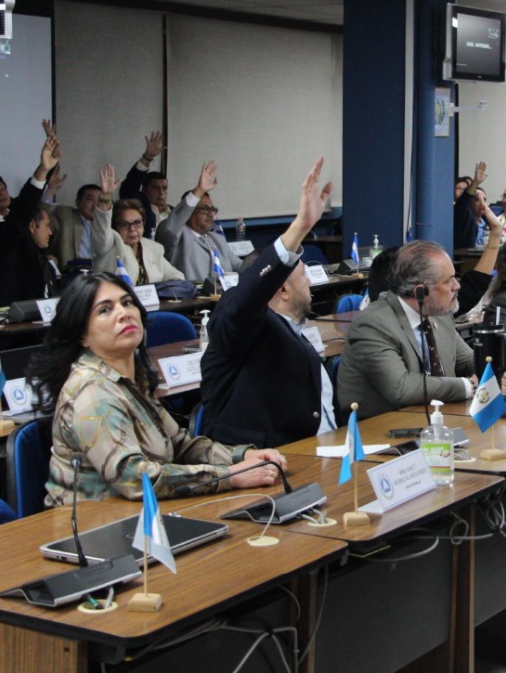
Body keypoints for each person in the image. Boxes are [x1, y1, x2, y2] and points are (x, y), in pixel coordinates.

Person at [30, 273, 286, 505]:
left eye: (127, 303)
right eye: (105, 309)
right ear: (82, 335)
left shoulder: (131, 376)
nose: (124, 313)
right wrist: (228, 476)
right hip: (93, 527)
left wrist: (241, 456)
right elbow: (135, 478)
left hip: (138, 514)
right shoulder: (92, 391)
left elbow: (179, 445)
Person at [199, 158, 338, 448]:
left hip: (321, 449)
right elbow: (244, 300)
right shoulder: (242, 327)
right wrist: (299, 228)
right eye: (303, 275)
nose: (310, 282)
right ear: (282, 289)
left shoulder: (293, 330)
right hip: (266, 458)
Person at [338, 240, 502, 418]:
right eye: (448, 281)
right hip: (384, 425)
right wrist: (469, 386)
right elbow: (401, 388)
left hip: (440, 417)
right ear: (420, 292)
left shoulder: (440, 314)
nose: (457, 286)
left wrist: (499, 369)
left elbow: (467, 361)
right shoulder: (373, 324)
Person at [0, 132, 61, 305]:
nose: (2, 193)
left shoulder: (16, 216)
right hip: (6, 304)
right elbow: (23, 211)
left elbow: (26, 204)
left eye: (3, 188)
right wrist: (42, 170)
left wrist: (48, 168)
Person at [92, 164, 185, 284]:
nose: (132, 229)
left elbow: (174, 274)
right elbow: (102, 228)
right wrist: (105, 197)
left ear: (144, 224)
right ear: (115, 226)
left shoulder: (153, 248)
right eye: (124, 224)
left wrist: (174, 283)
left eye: (137, 223)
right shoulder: (108, 245)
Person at [156, 160, 244, 283]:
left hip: (224, 293)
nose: (210, 214)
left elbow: (241, 265)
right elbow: (171, 228)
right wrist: (199, 190)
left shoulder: (217, 239)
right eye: (204, 209)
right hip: (193, 295)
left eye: (212, 209)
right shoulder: (179, 236)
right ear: (189, 212)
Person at [118, 131, 171, 239]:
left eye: (164, 188)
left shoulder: (175, 212)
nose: (161, 192)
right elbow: (128, 188)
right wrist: (147, 157)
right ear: (144, 189)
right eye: (155, 188)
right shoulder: (139, 207)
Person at [48, 183, 101, 267]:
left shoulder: (105, 224)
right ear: (78, 202)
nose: (95, 205)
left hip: (99, 271)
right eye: (90, 199)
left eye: (100, 200)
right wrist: (50, 191)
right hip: (72, 271)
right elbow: (40, 221)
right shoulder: (64, 215)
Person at [453, 161, 489, 249]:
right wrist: (475, 182)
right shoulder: (462, 215)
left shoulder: (487, 221)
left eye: (484, 200)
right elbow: (463, 202)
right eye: (477, 199)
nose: (482, 203)